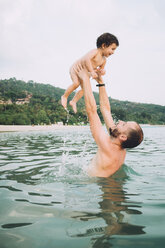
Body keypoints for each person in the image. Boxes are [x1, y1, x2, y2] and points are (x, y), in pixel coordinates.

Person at [77, 67, 144, 178]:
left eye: (124, 124)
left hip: (93, 185)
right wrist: (100, 82)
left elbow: (91, 111)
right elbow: (106, 110)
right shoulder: (120, 146)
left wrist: (85, 79)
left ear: (122, 137)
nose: (121, 121)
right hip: (108, 185)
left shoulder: (107, 145)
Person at [61, 33, 119, 113]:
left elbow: (101, 70)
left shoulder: (104, 60)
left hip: (84, 73)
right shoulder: (95, 52)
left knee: (84, 89)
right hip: (76, 69)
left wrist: (102, 71)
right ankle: (65, 96)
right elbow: (86, 59)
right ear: (104, 45)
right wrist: (91, 71)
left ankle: (73, 101)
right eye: (112, 49)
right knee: (76, 83)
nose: (113, 52)